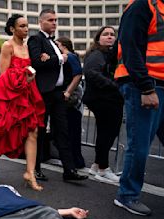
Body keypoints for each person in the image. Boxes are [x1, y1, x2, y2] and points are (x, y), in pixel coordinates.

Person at [0, 14, 44, 191]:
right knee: (3, 131)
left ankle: (30, 173)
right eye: (22, 26)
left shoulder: (28, 47)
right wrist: (23, 78)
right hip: (10, 95)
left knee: (32, 131)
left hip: (27, 95)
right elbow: (4, 75)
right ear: (12, 28)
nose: (26, 29)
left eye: (27, 26)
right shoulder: (7, 45)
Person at [113, 0, 164, 216]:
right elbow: (130, 47)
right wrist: (145, 88)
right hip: (144, 85)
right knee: (140, 144)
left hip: (158, 83)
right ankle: (127, 195)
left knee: (141, 143)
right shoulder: (142, 5)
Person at [28, 9, 88, 182]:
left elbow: (59, 64)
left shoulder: (54, 43)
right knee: (39, 131)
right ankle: (36, 169)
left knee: (63, 131)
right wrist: (60, 58)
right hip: (43, 93)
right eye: (50, 20)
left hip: (58, 94)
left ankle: (69, 170)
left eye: (56, 20)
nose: (54, 23)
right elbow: (36, 62)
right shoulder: (36, 39)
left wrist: (54, 59)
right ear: (41, 22)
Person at [82, 26, 123, 183]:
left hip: (105, 99)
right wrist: (115, 86)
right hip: (104, 99)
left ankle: (97, 165)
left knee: (105, 133)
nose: (110, 37)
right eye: (105, 34)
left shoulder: (106, 54)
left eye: (112, 34)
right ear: (98, 38)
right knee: (107, 134)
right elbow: (92, 74)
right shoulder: (97, 54)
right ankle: (103, 169)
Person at [55, 37, 85, 170]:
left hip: (70, 100)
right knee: (69, 131)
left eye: (56, 45)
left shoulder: (69, 56)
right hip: (71, 99)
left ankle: (75, 161)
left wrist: (67, 92)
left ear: (62, 45)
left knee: (71, 131)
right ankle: (74, 160)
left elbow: (78, 74)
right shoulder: (69, 56)